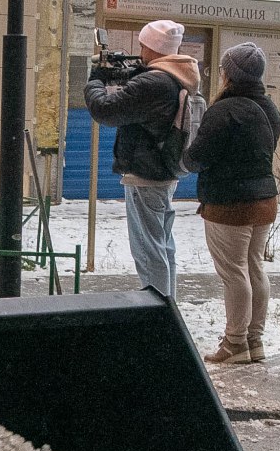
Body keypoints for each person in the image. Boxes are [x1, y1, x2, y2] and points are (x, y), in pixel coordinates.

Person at [83, 19, 199, 296]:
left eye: (143, 45)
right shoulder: (174, 76)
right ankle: (167, 306)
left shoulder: (154, 82)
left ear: (150, 46)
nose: (140, 50)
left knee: (148, 250)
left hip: (146, 173)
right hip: (162, 170)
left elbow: (105, 109)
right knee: (161, 244)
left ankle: (158, 313)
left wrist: (95, 79)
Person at [183, 40, 280, 365]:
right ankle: (254, 341)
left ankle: (236, 343)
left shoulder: (225, 110)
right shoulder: (270, 109)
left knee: (234, 272)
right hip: (265, 201)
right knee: (254, 267)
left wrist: (183, 148)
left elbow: (198, 159)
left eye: (224, 69)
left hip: (229, 204)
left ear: (230, 75)